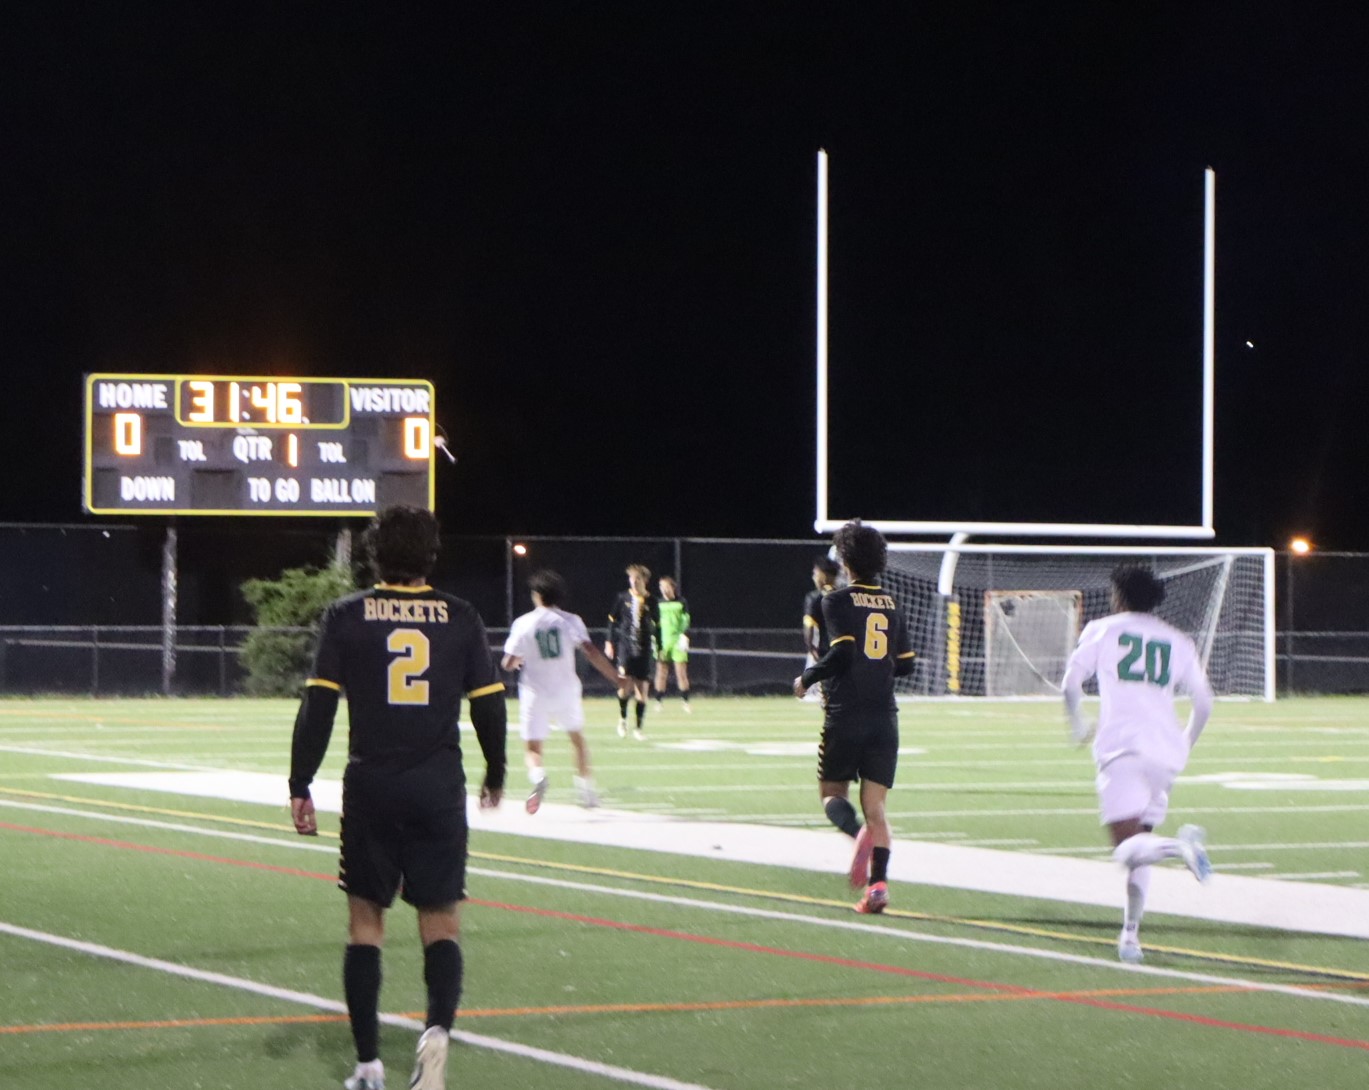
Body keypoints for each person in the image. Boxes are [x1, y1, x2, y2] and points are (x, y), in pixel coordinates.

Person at [288, 505, 507, 1090]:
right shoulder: (460, 616)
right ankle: (436, 1033)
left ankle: (368, 1067)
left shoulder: (347, 615)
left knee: (366, 925)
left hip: (372, 785)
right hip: (438, 786)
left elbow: (319, 707)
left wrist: (299, 782)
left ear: (373, 553)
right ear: (431, 556)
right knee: (442, 924)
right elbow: (488, 703)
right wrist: (497, 771)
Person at [1061, 564, 1215, 965]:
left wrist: (1078, 725)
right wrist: (1185, 744)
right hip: (1165, 752)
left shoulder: (1103, 629)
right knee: (1140, 843)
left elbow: (1070, 682)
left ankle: (1180, 847)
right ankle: (1130, 936)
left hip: (1123, 749)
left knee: (1127, 848)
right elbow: (1204, 703)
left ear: (1119, 595)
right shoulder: (1178, 639)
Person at [793, 520, 915, 914]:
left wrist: (807, 677)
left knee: (832, 795)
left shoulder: (836, 600)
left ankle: (857, 833)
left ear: (844, 559)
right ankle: (878, 887)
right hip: (885, 716)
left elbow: (843, 652)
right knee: (877, 808)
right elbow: (906, 665)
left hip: (846, 713)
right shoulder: (893, 603)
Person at [501, 569, 622, 812]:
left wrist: (518, 661)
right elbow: (590, 651)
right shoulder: (570, 620)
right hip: (566, 689)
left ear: (536, 595)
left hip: (535, 691)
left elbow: (508, 662)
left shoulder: (523, 623)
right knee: (577, 740)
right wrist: (615, 678)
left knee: (533, 748)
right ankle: (587, 792)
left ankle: (539, 777)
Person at [605, 563, 658, 740]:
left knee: (642, 691)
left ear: (645, 581)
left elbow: (657, 626)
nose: (634, 582)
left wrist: (659, 646)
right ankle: (622, 719)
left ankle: (638, 728)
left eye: (637, 579)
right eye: (631, 578)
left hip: (644, 649)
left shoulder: (652, 600)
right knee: (624, 686)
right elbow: (612, 620)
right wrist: (609, 642)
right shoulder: (623, 597)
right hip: (626, 647)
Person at [801, 555, 840, 702]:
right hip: (849, 654)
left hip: (827, 654)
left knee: (828, 700)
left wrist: (813, 651)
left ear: (823, 575)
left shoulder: (814, 598)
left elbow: (809, 633)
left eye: (815, 573)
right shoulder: (847, 595)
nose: (813, 577)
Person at [653, 575, 692, 712]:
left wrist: (684, 636)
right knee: (661, 673)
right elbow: (654, 624)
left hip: (677, 642)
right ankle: (658, 702)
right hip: (663, 643)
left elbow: (686, 620)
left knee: (681, 673)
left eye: (666, 586)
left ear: (672, 587)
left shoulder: (682, 602)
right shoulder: (658, 603)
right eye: (661, 587)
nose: (663, 589)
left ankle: (685, 702)